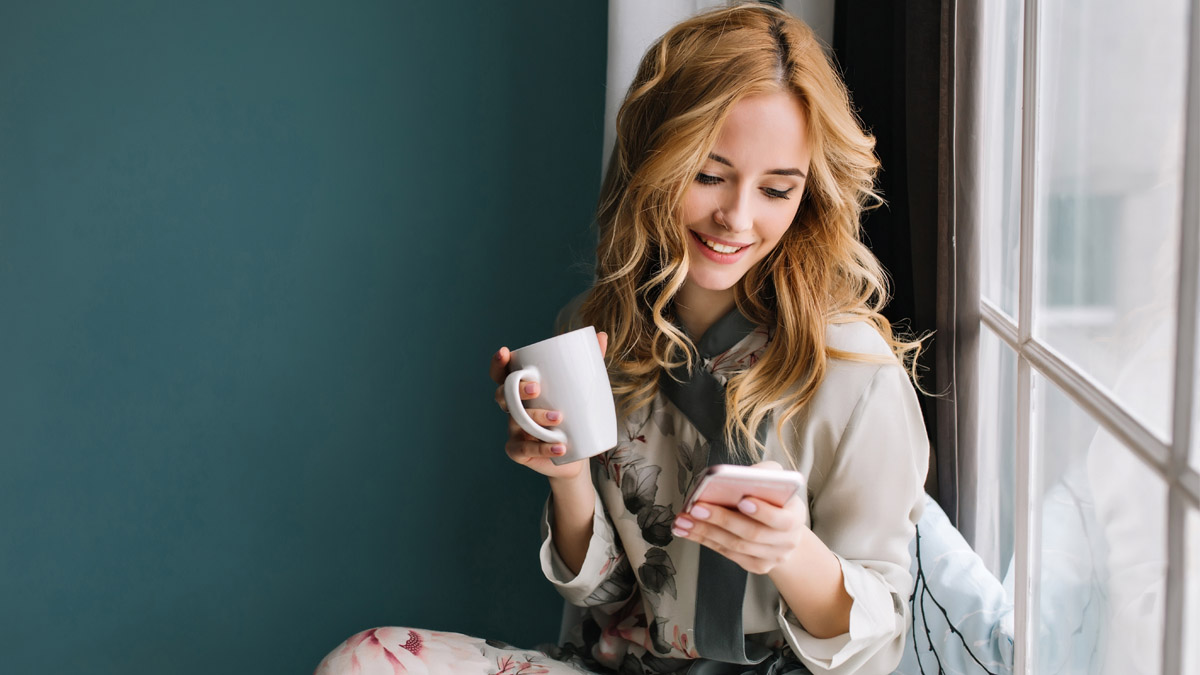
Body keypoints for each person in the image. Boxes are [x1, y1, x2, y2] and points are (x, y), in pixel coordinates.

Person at [314, 4, 929, 674]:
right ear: (655, 157)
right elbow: (610, 599)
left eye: (778, 189)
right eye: (708, 174)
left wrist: (790, 551)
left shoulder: (852, 370)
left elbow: (879, 645)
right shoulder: (595, 335)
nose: (737, 216)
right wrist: (569, 474)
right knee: (363, 663)